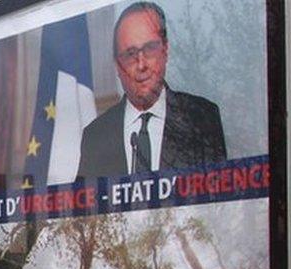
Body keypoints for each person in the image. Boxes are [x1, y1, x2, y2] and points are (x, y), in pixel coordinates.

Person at [76, 1, 226, 181]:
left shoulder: (201, 118)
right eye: (130, 54)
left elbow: (218, 202)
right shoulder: (95, 136)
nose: (141, 64)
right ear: (117, 65)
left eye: (150, 49)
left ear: (165, 50)